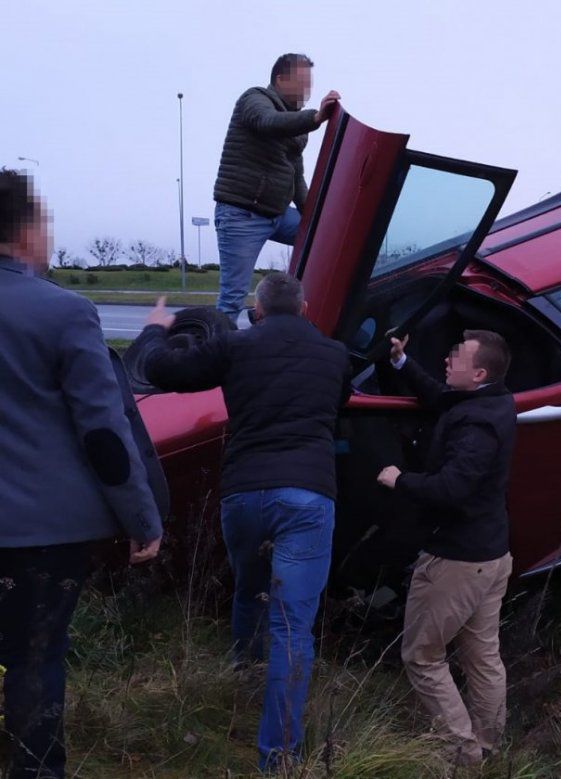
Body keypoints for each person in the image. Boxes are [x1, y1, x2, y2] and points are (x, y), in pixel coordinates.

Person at [133, 272, 350, 771]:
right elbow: (337, 406)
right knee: (293, 627)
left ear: (256, 309)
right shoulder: (335, 355)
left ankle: (245, 677)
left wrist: (155, 327)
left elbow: (161, 370)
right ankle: (280, 757)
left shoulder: (235, 347)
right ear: (305, 306)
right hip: (308, 495)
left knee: (250, 589)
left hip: (245, 496)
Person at [0, 169, 163, 778]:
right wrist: (142, 519)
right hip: (41, 535)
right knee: (34, 661)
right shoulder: (65, 311)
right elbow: (103, 434)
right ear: (24, 232)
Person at [376, 330, 516, 766]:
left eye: (457, 358)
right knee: (482, 654)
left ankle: (463, 752)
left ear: (478, 373)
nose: (447, 360)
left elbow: (452, 488)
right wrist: (401, 361)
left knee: (420, 656)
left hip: (458, 559)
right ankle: (489, 745)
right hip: (492, 555)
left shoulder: (477, 426)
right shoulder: (487, 401)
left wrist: (400, 479)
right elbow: (439, 396)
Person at [213, 53, 341, 322]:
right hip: (242, 215)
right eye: (302, 83)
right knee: (232, 298)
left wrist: (312, 219)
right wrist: (316, 117)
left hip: (278, 215)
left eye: (310, 84)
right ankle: (218, 355)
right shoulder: (255, 99)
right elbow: (268, 123)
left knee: (324, 237)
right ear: (281, 80)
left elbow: (297, 177)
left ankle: (281, 313)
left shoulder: (296, 124)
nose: (307, 91)